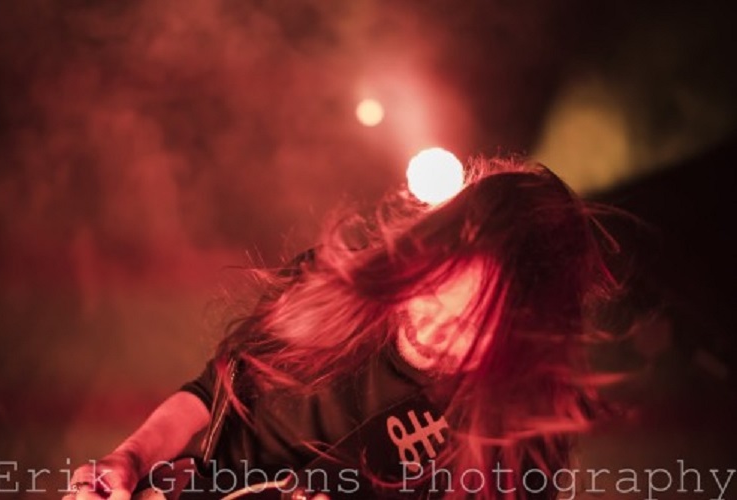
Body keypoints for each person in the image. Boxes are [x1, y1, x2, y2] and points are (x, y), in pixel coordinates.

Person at [65, 156, 622, 500]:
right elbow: (212, 392)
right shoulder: (328, 285)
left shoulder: (513, 450)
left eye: (467, 325)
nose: (431, 329)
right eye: (431, 289)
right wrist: (132, 458)